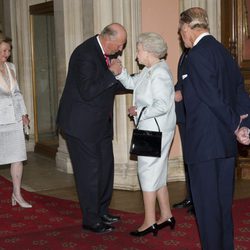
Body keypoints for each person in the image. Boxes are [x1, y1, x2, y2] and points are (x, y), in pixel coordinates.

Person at [178, 7, 250, 249]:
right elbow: (240, 93)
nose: (181, 35)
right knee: (221, 206)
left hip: (204, 144)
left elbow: (212, 97)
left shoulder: (197, 54)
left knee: (207, 211)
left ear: (188, 27)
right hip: (225, 145)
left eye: (181, 30)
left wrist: (235, 126)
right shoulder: (225, 53)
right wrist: (243, 126)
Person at [57, 23, 127, 234]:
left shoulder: (103, 52)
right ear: (109, 40)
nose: (121, 50)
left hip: (99, 123)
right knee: (89, 173)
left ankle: (102, 211)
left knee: (105, 168)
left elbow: (109, 85)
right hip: (81, 125)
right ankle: (91, 218)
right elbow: (88, 91)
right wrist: (112, 72)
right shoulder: (85, 54)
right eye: (120, 45)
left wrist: (139, 84)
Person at [112, 32, 176, 237]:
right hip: (151, 128)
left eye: (138, 50)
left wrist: (138, 111)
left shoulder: (159, 74)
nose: (136, 55)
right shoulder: (150, 70)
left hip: (154, 130)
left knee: (147, 173)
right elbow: (132, 84)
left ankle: (149, 221)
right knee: (157, 172)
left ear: (148, 52)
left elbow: (163, 105)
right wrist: (120, 72)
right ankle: (165, 214)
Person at [0, 32, 31, 208]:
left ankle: (17, 194)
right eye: (4, 50)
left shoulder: (11, 67)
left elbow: (16, 92)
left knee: (17, 158)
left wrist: (24, 114)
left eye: (9, 51)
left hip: (14, 119)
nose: (7, 54)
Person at [172, 48, 195, 215]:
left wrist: (183, 93)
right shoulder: (185, 54)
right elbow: (181, 80)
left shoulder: (200, 53)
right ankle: (190, 196)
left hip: (193, 114)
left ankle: (197, 199)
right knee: (188, 158)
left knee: (195, 160)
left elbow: (200, 82)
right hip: (183, 114)